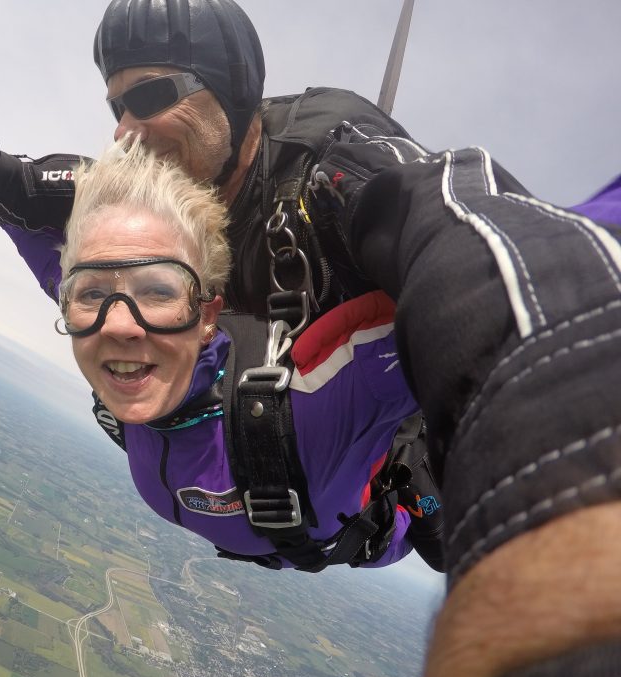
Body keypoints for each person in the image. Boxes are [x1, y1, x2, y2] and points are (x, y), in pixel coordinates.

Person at [0, 3, 621, 677]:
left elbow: (470, 238)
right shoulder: (135, 202)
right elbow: (13, 186)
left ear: (229, 93)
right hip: (255, 470)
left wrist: (550, 485)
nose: (125, 129)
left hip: (358, 459)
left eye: (152, 96)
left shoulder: (339, 173)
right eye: (115, 105)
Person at [56, 139, 420, 572]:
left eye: (157, 290)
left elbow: (485, 309)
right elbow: (36, 241)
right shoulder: (95, 326)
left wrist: (407, 200)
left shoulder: (313, 395)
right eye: (92, 292)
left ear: (207, 314)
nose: (116, 324)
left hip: (383, 524)